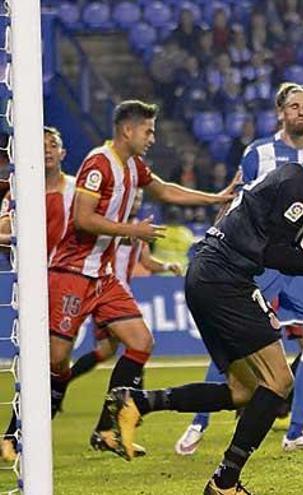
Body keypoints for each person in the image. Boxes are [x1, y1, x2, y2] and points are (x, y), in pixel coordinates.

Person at [107, 116, 303, 495]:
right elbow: (277, 254)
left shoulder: (302, 183)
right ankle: (225, 482)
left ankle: (136, 402)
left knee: (242, 391)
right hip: (223, 279)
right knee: (279, 381)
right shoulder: (300, 187)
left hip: (213, 275)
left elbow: (280, 246)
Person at [46, 100, 236, 456]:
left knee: (141, 341)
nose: (152, 137)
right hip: (72, 271)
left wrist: (216, 197)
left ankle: (107, 429)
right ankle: (25, 424)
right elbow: (83, 219)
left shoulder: (134, 166)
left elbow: (165, 190)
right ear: (127, 130)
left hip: (102, 275)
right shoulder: (98, 163)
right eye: (148, 131)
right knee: (57, 360)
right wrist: (130, 229)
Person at [174, 83, 303, 456]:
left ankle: (297, 431)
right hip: (263, 258)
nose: (301, 112)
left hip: (301, 259)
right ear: (280, 112)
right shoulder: (258, 152)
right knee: (240, 338)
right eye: (294, 106)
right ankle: (199, 423)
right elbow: (240, 203)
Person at [0, 127, 76, 461]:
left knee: (59, 364)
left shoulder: (77, 190)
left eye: (53, 145)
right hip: (30, 285)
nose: (47, 150)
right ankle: (14, 438)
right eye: (40, 145)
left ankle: (21, 437)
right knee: (41, 362)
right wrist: (22, 240)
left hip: (70, 284)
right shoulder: (19, 188)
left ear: (63, 153)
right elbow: (1, 231)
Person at [66, 189, 184, 388]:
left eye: (139, 199)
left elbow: (146, 261)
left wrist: (166, 266)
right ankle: (131, 402)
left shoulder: (139, 229)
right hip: (105, 291)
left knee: (107, 351)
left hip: (120, 295)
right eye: (133, 198)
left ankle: (61, 384)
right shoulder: (110, 224)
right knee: (137, 344)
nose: (136, 202)